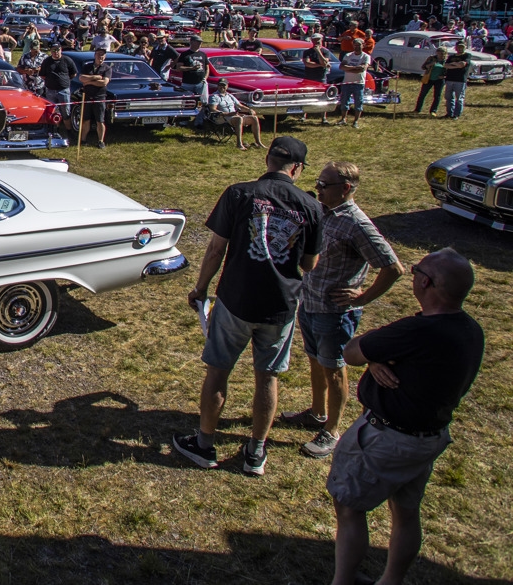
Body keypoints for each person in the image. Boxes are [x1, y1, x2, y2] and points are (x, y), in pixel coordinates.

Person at [328, 248, 483, 585]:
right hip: (429, 437)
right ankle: (391, 580)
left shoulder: (415, 331)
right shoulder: (470, 330)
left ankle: (342, 581)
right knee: (406, 512)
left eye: (416, 270)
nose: (413, 274)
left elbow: (351, 351)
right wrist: (380, 358)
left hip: (386, 439)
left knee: (350, 508)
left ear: (426, 282)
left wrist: (374, 355)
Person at [175, 137, 324, 476]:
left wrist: (201, 288)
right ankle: (256, 452)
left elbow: (215, 250)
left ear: (268, 159)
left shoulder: (238, 193)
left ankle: (204, 444)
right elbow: (309, 264)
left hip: (236, 299)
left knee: (218, 371)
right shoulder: (311, 207)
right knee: (267, 377)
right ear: (297, 168)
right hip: (280, 305)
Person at [277, 161, 403, 459]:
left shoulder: (356, 224)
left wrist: (362, 297)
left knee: (334, 368)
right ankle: (317, 413)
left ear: (346, 188)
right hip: (310, 303)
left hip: (334, 313)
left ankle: (331, 431)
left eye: (324, 185)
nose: (317, 189)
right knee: (316, 361)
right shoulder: (324, 212)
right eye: (317, 183)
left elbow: (392, 268)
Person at [208, 79, 268, 151]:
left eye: (224, 85)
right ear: (217, 86)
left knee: (254, 118)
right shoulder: (214, 96)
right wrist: (228, 114)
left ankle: (258, 142)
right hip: (222, 117)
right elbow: (213, 109)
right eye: (220, 85)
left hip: (234, 115)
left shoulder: (230, 96)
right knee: (239, 119)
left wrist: (249, 110)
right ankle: (239, 144)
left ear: (227, 86)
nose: (222, 87)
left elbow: (240, 106)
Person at [76, 48, 112, 149]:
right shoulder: (87, 67)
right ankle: (83, 139)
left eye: (102, 55)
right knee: (86, 119)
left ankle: (100, 141)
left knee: (100, 120)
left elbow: (104, 82)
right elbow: (82, 78)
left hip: (99, 97)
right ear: (95, 55)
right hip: (87, 96)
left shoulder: (107, 68)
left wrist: (89, 81)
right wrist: (96, 78)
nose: (100, 56)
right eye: (98, 54)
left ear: (105, 57)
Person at [336, 41, 370, 128]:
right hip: (346, 82)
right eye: (355, 45)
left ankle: (356, 121)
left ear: (363, 45)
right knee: (344, 101)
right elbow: (342, 67)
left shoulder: (366, 56)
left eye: (359, 45)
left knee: (358, 102)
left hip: (359, 83)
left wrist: (349, 68)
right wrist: (355, 68)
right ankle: (343, 119)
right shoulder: (348, 55)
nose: (357, 47)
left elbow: (362, 69)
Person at [176, 37, 210, 104]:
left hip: (201, 83)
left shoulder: (203, 54)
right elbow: (178, 68)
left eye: (200, 42)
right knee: (187, 101)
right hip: (187, 83)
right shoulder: (185, 54)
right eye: (197, 42)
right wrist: (191, 68)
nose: (200, 43)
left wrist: (205, 78)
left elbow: (207, 68)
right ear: (191, 42)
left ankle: (202, 113)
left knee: (204, 102)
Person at [442, 40, 471, 119]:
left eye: (462, 47)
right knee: (449, 97)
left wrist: (453, 65)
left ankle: (456, 114)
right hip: (450, 79)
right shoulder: (451, 57)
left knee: (459, 98)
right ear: (456, 47)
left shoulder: (467, 56)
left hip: (460, 80)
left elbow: (462, 65)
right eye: (459, 47)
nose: (460, 48)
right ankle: (449, 113)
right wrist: (456, 65)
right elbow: (445, 65)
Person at [413, 47, 446, 115]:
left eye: (442, 53)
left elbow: (449, 71)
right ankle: (417, 109)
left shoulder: (446, 61)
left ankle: (433, 111)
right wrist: (429, 65)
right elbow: (423, 67)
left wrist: (444, 76)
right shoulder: (431, 58)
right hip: (429, 78)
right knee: (422, 94)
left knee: (437, 96)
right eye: (439, 52)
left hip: (439, 80)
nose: (440, 54)